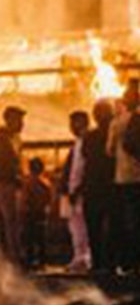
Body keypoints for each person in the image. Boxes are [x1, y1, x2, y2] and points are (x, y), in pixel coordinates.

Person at [106, 81, 140, 274]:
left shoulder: (117, 123)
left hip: (124, 177)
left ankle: (131, 261)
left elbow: (109, 151)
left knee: (129, 220)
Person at [0, 105, 26, 264]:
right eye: (19, 119)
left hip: (6, 182)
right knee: (11, 220)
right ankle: (14, 255)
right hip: (5, 182)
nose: (22, 123)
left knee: (0, 218)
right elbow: (2, 163)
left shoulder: (12, 137)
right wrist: (14, 178)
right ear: (9, 120)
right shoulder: (3, 138)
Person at [83, 99, 116, 271]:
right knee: (113, 226)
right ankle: (111, 262)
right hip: (111, 186)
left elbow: (85, 158)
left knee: (93, 228)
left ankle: (97, 263)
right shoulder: (114, 134)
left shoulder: (89, 137)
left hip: (92, 187)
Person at [62, 110, 92, 272]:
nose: (72, 127)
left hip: (80, 190)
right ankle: (79, 257)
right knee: (75, 226)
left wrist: (78, 189)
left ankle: (83, 258)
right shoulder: (78, 142)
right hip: (73, 189)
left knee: (81, 226)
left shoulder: (86, 141)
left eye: (75, 122)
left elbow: (86, 168)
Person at [22, 157, 52, 269]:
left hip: (30, 213)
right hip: (41, 212)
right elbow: (48, 199)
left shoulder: (28, 183)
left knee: (29, 237)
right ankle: (42, 260)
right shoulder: (45, 184)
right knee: (40, 238)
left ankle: (29, 259)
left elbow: (24, 199)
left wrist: (24, 209)